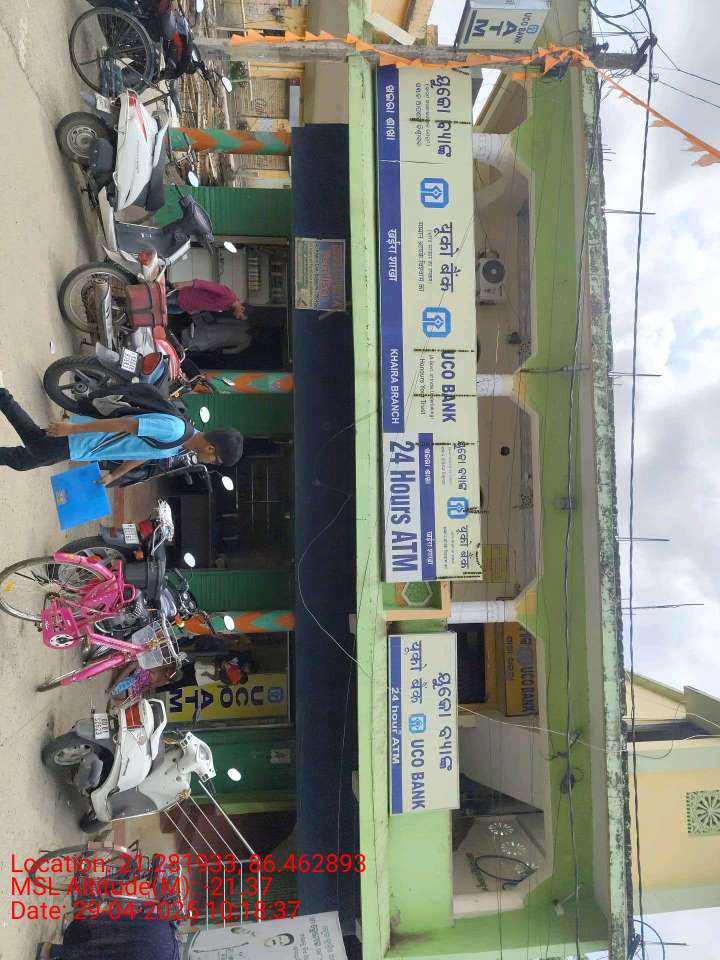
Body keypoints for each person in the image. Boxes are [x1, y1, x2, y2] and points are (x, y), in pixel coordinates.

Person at [0, 384, 244, 480]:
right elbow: (126, 423)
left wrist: (114, 475)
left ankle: (3, 397)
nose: (211, 462)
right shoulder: (174, 430)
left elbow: (143, 454)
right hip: (82, 439)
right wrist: (73, 429)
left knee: (34, 440)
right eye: (215, 459)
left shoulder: (181, 445)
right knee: (23, 460)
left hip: (85, 444)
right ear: (211, 448)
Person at [36, 915, 180, 959]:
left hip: (149, 928)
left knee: (104, 929)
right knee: (99, 953)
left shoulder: (167, 926)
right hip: (141, 951)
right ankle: (50, 951)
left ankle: (55, 947)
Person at [167, 279, 248, 321]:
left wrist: (196, 310)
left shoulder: (228, 308)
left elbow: (207, 304)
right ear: (242, 308)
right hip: (182, 296)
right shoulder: (229, 295)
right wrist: (183, 283)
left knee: (160, 313)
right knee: (159, 301)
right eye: (240, 316)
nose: (237, 317)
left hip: (184, 308)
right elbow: (204, 284)